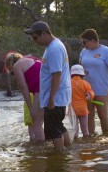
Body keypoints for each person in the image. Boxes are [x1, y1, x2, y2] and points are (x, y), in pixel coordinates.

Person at [25, 21, 72, 151]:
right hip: (57, 95)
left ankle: (59, 157)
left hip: (55, 97)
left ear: (44, 34)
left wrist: (51, 98)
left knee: (54, 129)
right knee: (58, 125)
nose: (34, 41)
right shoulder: (53, 46)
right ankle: (68, 150)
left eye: (35, 37)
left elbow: (56, 74)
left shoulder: (54, 48)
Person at [79, 28, 108, 134]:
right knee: (88, 115)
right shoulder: (83, 51)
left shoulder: (107, 51)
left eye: (84, 42)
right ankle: (91, 138)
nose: (83, 44)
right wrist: (82, 71)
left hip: (102, 88)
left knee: (103, 115)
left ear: (93, 40)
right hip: (86, 89)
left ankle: (107, 137)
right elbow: (81, 67)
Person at [3, 51, 44, 142]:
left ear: (10, 65)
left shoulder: (17, 66)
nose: (13, 73)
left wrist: (31, 108)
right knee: (49, 122)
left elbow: (23, 88)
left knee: (37, 123)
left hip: (41, 90)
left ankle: (40, 151)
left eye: (12, 72)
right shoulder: (31, 59)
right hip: (51, 88)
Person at [70, 64, 94, 138]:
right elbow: (91, 94)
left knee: (74, 130)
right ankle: (86, 142)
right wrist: (89, 96)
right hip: (83, 109)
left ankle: (76, 142)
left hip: (72, 110)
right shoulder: (85, 83)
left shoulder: (68, 82)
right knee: (85, 130)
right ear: (82, 75)